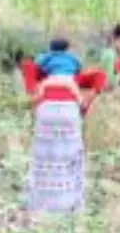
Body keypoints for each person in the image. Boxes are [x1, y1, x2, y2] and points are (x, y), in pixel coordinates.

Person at [19, 52, 108, 214]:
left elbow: (27, 67)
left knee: (44, 157)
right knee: (71, 157)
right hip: (70, 114)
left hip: (45, 113)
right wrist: (87, 102)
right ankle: (71, 205)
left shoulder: (44, 76)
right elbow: (100, 76)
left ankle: (39, 205)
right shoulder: (74, 77)